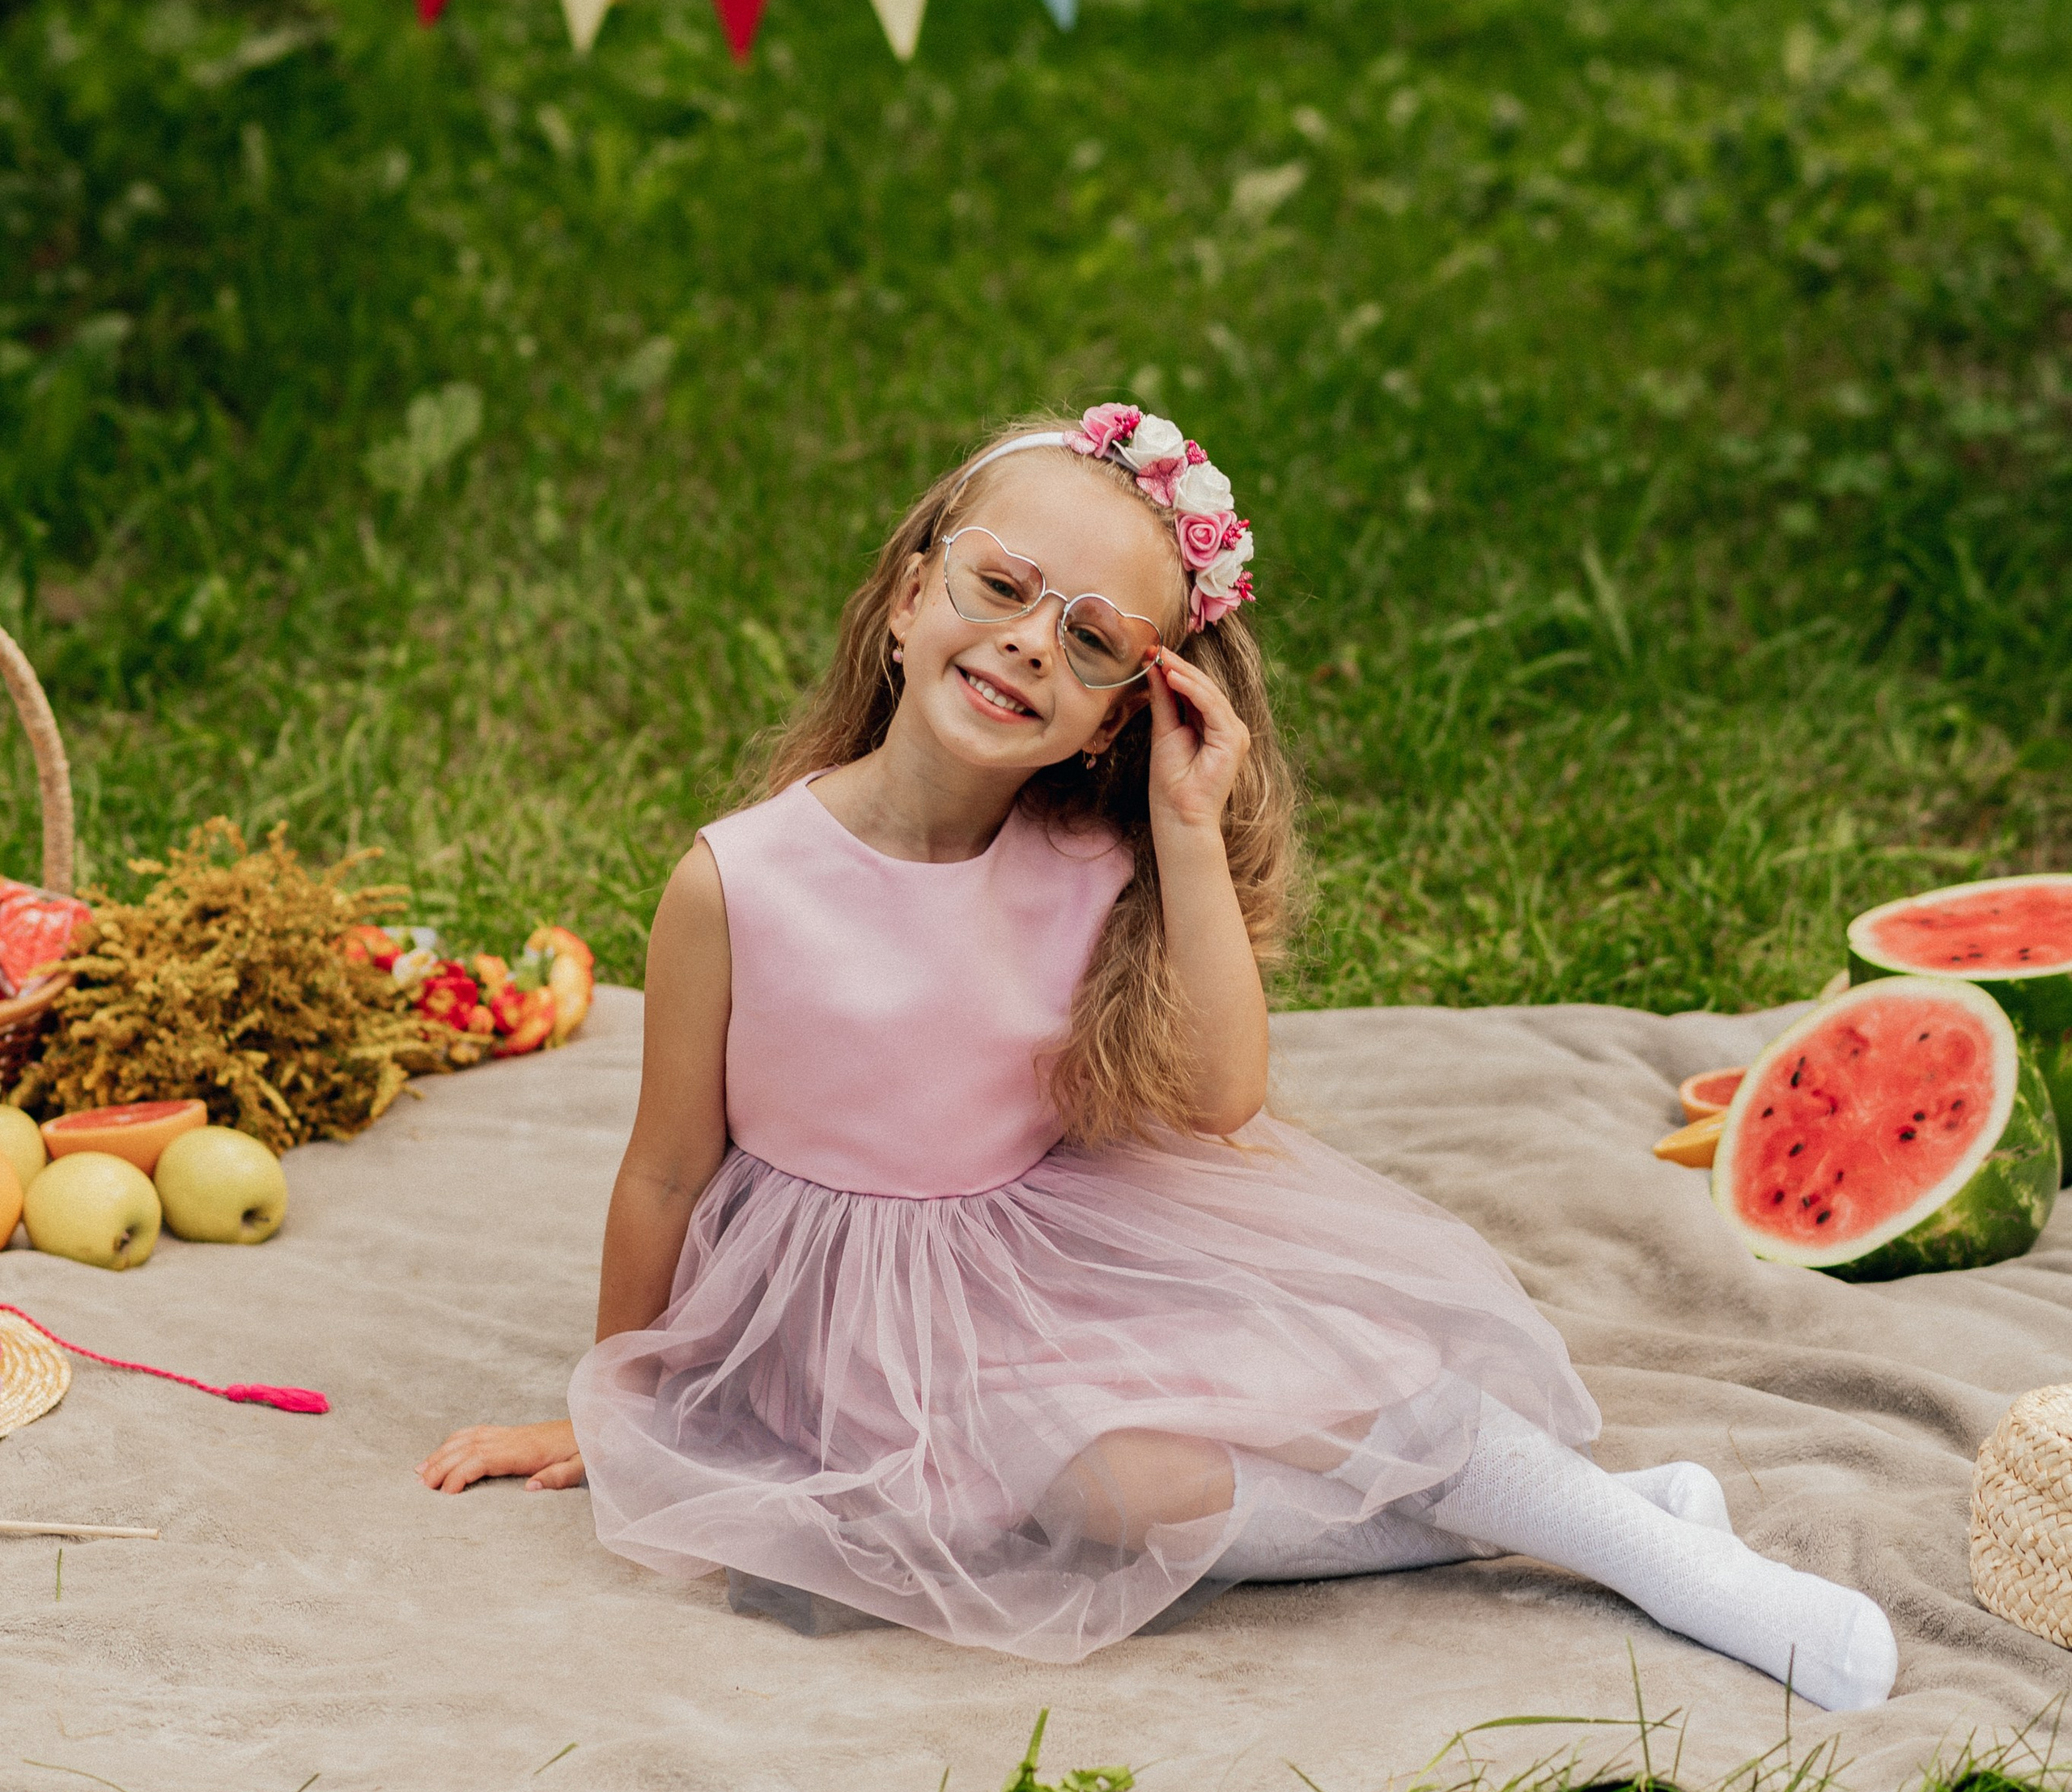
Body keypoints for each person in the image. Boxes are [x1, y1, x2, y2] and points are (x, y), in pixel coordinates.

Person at [418, 402, 1898, 1706]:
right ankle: (1594, 1514)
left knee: (1329, 1376)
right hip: (849, 1325)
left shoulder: (1090, 860)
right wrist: (619, 1398)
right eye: (1001, 587)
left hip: (1059, 1254)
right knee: (1114, 1504)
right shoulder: (735, 880)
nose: (1024, 646)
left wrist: (1189, 830)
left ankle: (1649, 1553)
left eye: (1091, 642)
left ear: (1117, 714)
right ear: (905, 598)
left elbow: (1221, 1098)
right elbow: (670, 1170)